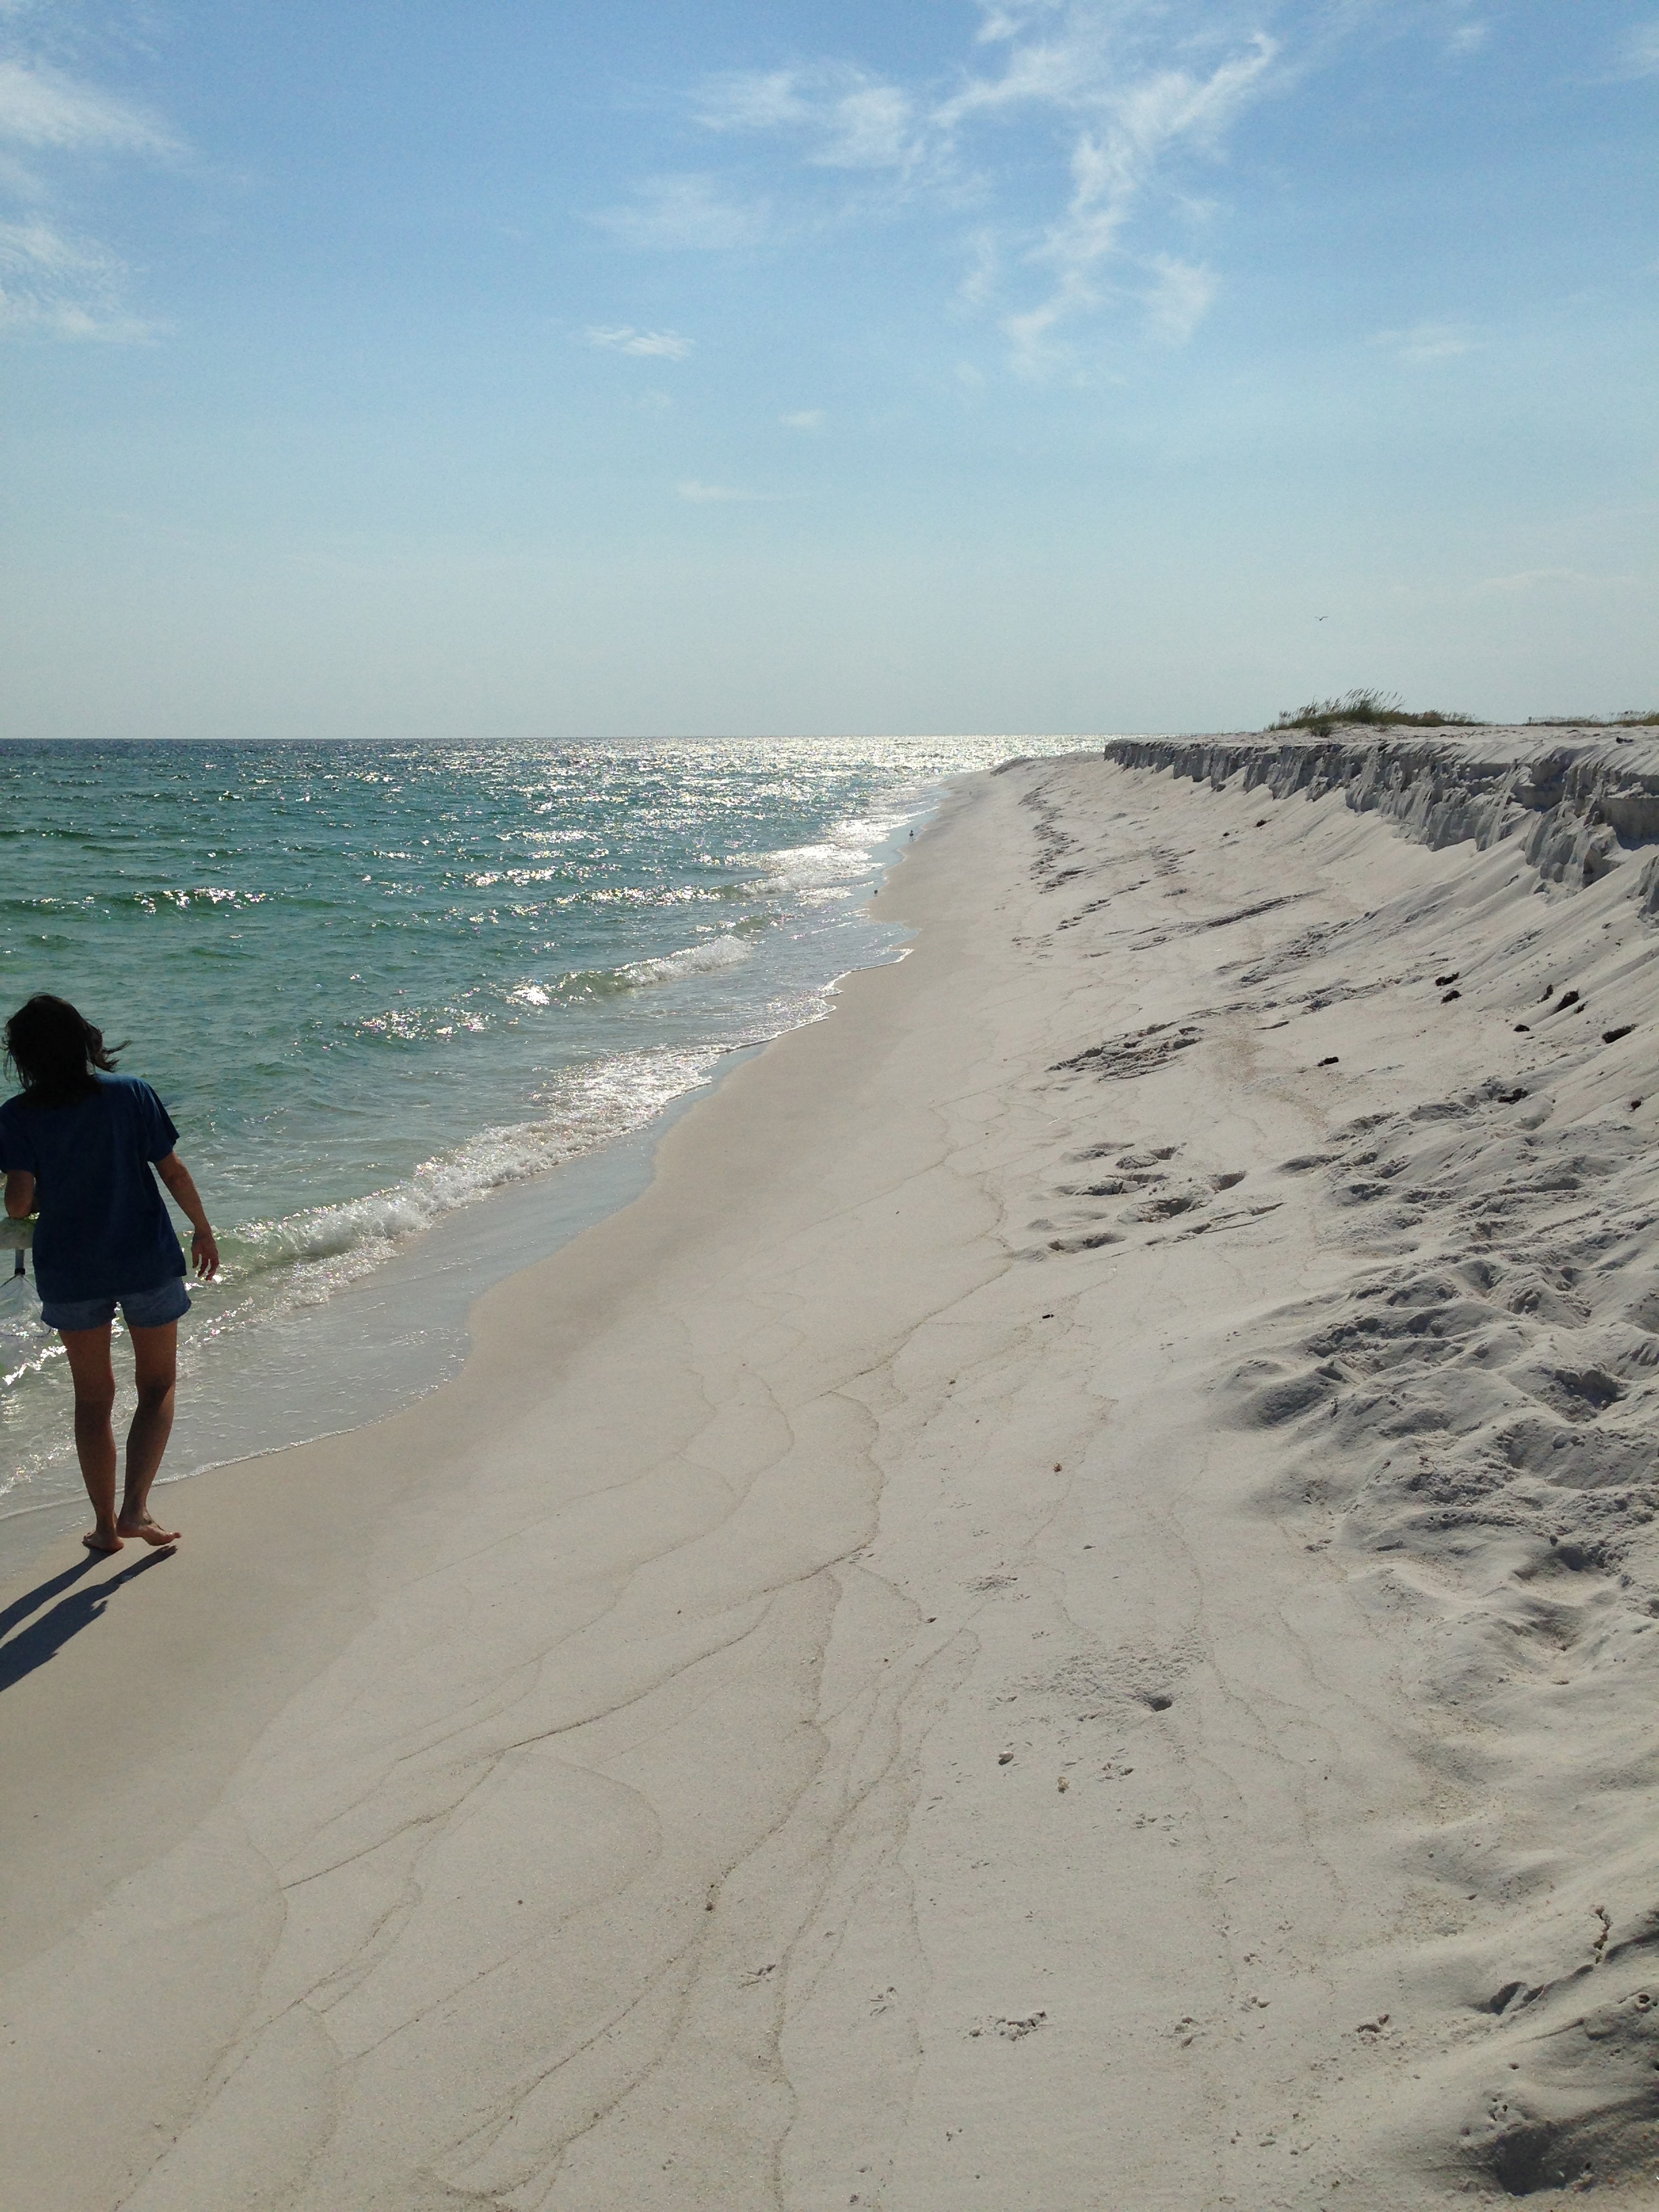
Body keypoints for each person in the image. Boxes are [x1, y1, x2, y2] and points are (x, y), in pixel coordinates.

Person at [0, 995, 219, 1554]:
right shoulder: (132, 1093)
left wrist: (37, 1192)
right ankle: (135, 1509)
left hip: (70, 1269)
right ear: (85, 1041)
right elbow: (173, 1170)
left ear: (23, 1057)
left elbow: (19, 1204)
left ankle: (103, 1527)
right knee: (157, 1385)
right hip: (144, 1257)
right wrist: (202, 1228)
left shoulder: (17, 1115)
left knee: (93, 1400)